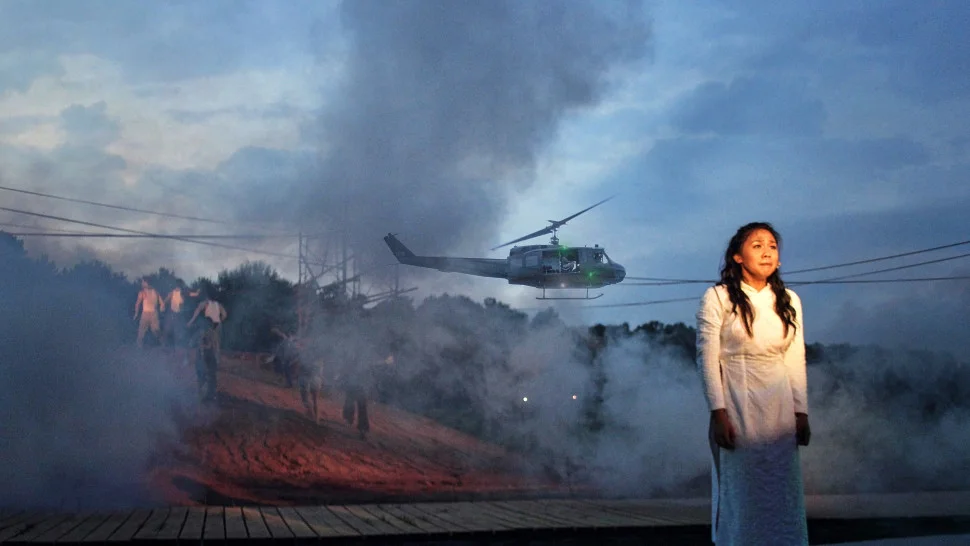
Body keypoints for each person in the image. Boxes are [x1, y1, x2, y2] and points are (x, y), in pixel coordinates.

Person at [695, 222, 810, 545]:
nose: (766, 251)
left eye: (772, 246)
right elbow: (706, 357)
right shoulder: (717, 297)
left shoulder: (789, 300)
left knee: (781, 493)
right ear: (738, 257)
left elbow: (794, 359)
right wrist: (718, 413)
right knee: (742, 494)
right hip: (736, 403)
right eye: (757, 245)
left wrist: (801, 413)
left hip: (779, 410)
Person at [188, 292, 227, 403]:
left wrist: (191, 322)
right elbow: (224, 315)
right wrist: (219, 321)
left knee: (206, 343)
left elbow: (196, 312)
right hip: (216, 325)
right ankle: (215, 361)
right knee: (215, 345)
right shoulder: (218, 304)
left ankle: (204, 391)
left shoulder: (204, 303)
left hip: (208, 325)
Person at [134, 279, 165, 348]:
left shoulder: (143, 292)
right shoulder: (154, 292)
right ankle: (139, 346)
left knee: (145, 330)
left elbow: (137, 304)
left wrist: (136, 313)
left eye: (143, 282)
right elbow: (162, 303)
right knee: (149, 330)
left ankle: (163, 343)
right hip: (151, 313)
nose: (142, 283)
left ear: (146, 283)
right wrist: (162, 308)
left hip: (149, 313)